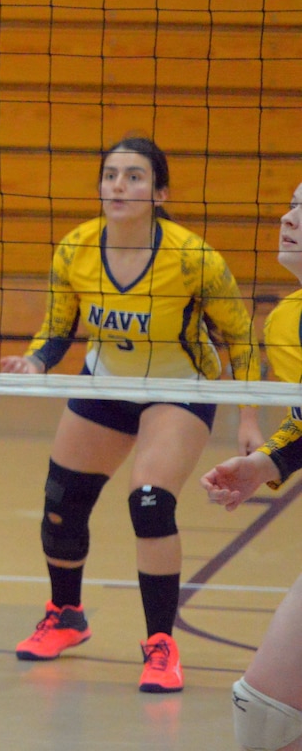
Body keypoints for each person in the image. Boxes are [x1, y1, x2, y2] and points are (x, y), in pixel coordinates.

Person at [0, 136, 261, 694]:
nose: (119, 185)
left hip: (178, 387)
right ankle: (66, 615)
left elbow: (240, 337)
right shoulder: (75, 249)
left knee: (150, 503)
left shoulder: (194, 259)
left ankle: (161, 645)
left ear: (159, 192)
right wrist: (35, 361)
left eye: (134, 177)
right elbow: (57, 327)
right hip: (106, 381)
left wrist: (249, 418)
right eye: (111, 175)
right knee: (61, 502)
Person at [202, 180, 302, 751]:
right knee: (264, 713)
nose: (287, 217)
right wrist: (265, 461)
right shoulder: (286, 322)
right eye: (289, 203)